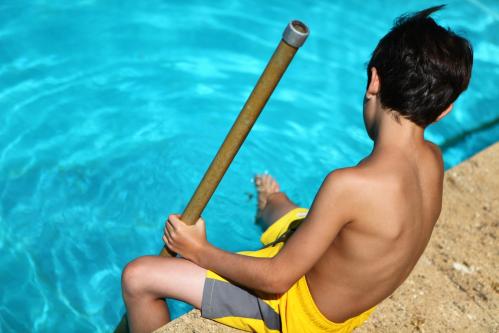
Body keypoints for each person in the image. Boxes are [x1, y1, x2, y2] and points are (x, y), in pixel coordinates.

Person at [120, 5, 473, 333]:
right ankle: (271, 203)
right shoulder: (432, 161)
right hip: (345, 297)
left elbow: (275, 281)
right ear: (445, 110)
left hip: (292, 313)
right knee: (290, 215)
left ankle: (268, 211)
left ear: (374, 82)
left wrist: (199, 251)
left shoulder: (350, 185)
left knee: (138, 277)